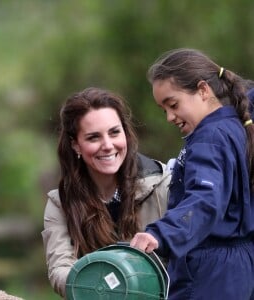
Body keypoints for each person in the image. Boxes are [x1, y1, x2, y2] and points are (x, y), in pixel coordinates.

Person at [130, 48, 254, 299]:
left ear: (203, 90)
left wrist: (161, 233)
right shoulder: (235, 128)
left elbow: (205, 200)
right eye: (163, 109)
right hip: (238, 268)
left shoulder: (209, 139)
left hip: (211, 272)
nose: (169, 117)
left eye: (173, 104)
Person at [41, 87, 171, 298]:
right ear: (76, 145)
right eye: (94, 137)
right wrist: (99, 282)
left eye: (114, 132)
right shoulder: (60, 203)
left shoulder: (164, 185)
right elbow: (59, 271)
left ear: (125, 133)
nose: (108, 145)